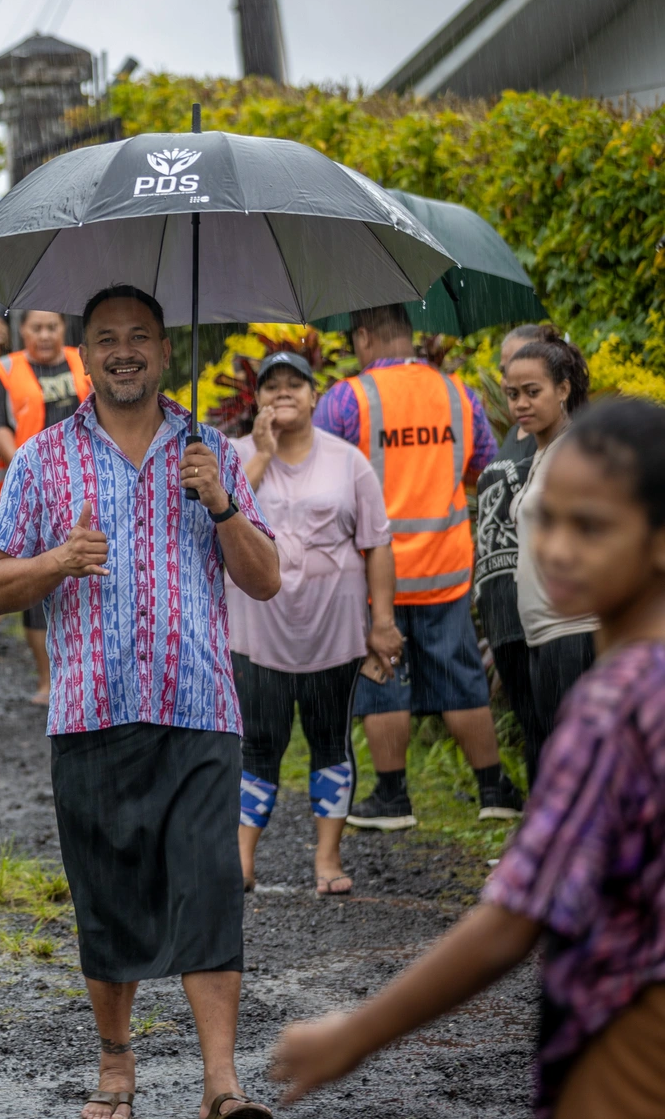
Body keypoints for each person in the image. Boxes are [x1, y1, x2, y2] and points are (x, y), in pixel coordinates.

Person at [271, 396, 665, 1119]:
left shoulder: (618, 702)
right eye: (545, 519)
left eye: (592, 526)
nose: (557, 548)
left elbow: (514, 918)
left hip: (627, 1048)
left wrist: (354, 1035)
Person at [0, 285, 281, 1119]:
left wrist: (219, 501)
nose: (123, 352)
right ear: (82, 354)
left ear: (162, 350)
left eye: (139, 337)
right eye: (106, 338)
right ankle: (117, 1070)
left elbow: (265, 578)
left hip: (199, 708)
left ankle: (222, 1086)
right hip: (91, 712)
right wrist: (56, 562)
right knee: (107, 898)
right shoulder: (44, 458)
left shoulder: (209, 451)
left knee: (209, 886)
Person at [314, 302, 522, 829]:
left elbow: (319, 479)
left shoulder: (347, 399)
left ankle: (392, 797)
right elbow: (483, 469)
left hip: (372, 575)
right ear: (409, 335)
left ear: (363, 338)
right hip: (446, 568)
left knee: (381, 675)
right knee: (461, 677)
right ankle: (494, 788)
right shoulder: (458, 395)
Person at [228, 351, 398, 897]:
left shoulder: (348, 461)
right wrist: (260, 454)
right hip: (256, 630)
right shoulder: (234, 456)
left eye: (294, 384)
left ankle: (328, 859)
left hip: (334, 630)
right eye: (271, 385)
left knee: (330, 740)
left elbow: (377, 543)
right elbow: (220, 514)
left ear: (314, 395)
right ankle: (242, 862)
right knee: (258, 744)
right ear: (257, 399)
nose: (283, 393)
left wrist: (384, 621)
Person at [0, 309, 92, 704]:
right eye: (37, 328)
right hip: (35, 489)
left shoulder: (84, 360)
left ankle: (85, 670)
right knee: (38, 575)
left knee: (85, 573)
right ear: (22, 331)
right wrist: (29, 470)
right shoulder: (3, 369)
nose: (45, 335)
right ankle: (48, 679)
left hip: (87, 483)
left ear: (64, 330)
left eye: (52, 327)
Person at [507, 327, 597, 759]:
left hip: (576, 630)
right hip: (543, 634)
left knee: (577, 758)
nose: (520, 404)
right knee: (556, 753)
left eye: (531, 391)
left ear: (562, 389)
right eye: (511, 394)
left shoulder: (577, 452)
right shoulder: (542, 455)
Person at [474, 324, 545, 786]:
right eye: (505, 376)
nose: (512, 386)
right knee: (531, 728)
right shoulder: (517, 433)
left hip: (542, 610)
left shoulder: (561, 432)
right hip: (503, 611)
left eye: (526, 381)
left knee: (555, 729)